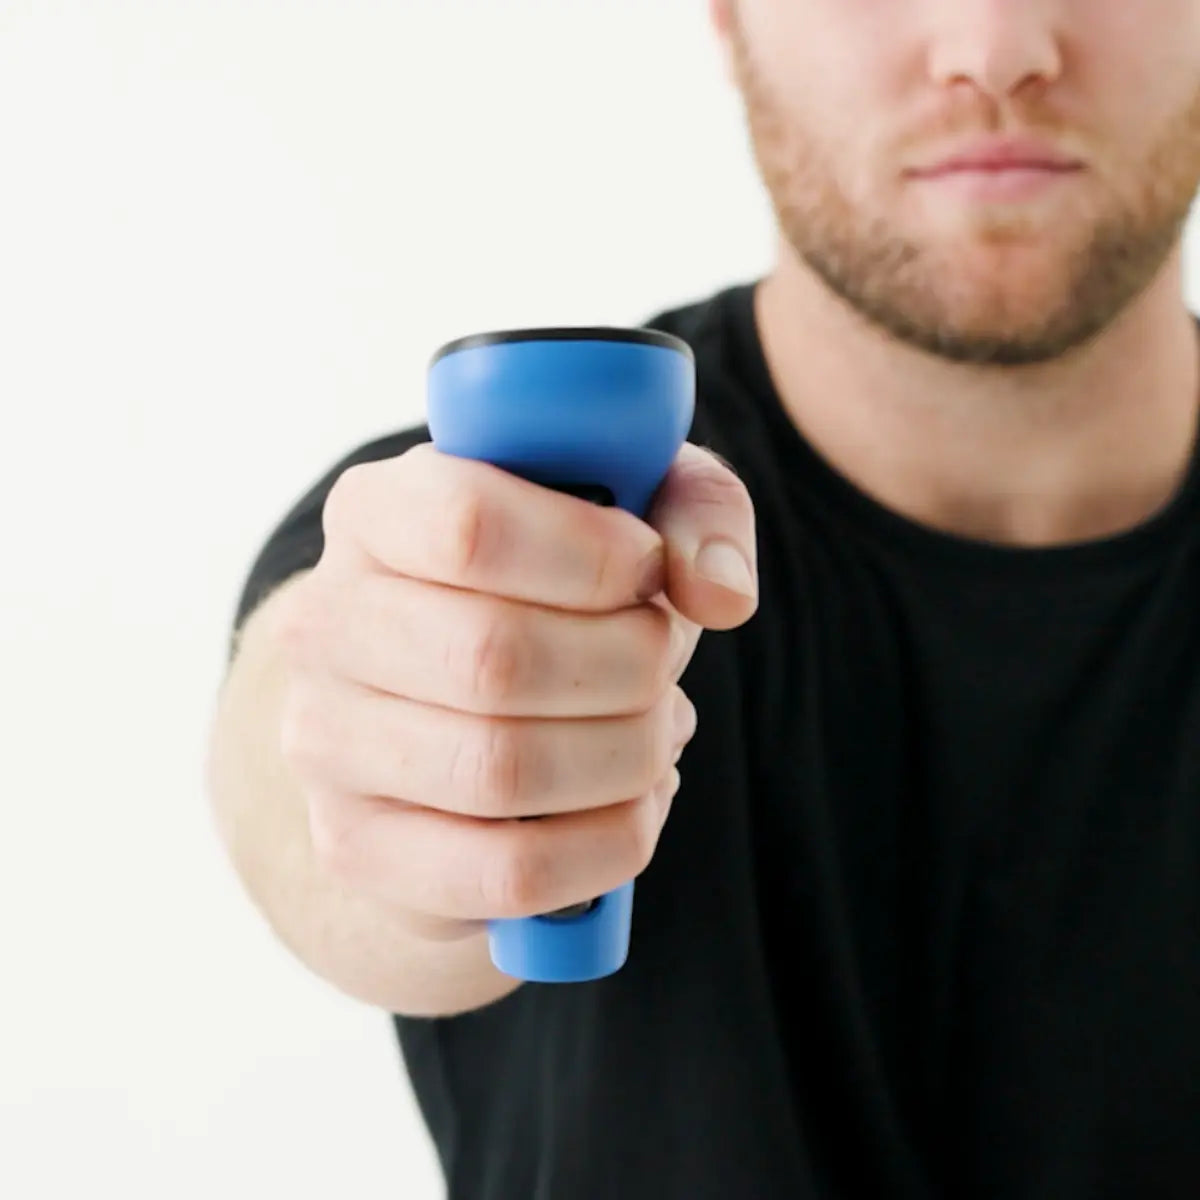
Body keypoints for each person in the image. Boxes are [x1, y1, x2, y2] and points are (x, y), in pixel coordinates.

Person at [205, 0, 1200, 1195]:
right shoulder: (485, 527)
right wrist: (402, 768)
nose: (994, 49)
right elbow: (304, 744)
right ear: (730, 17)